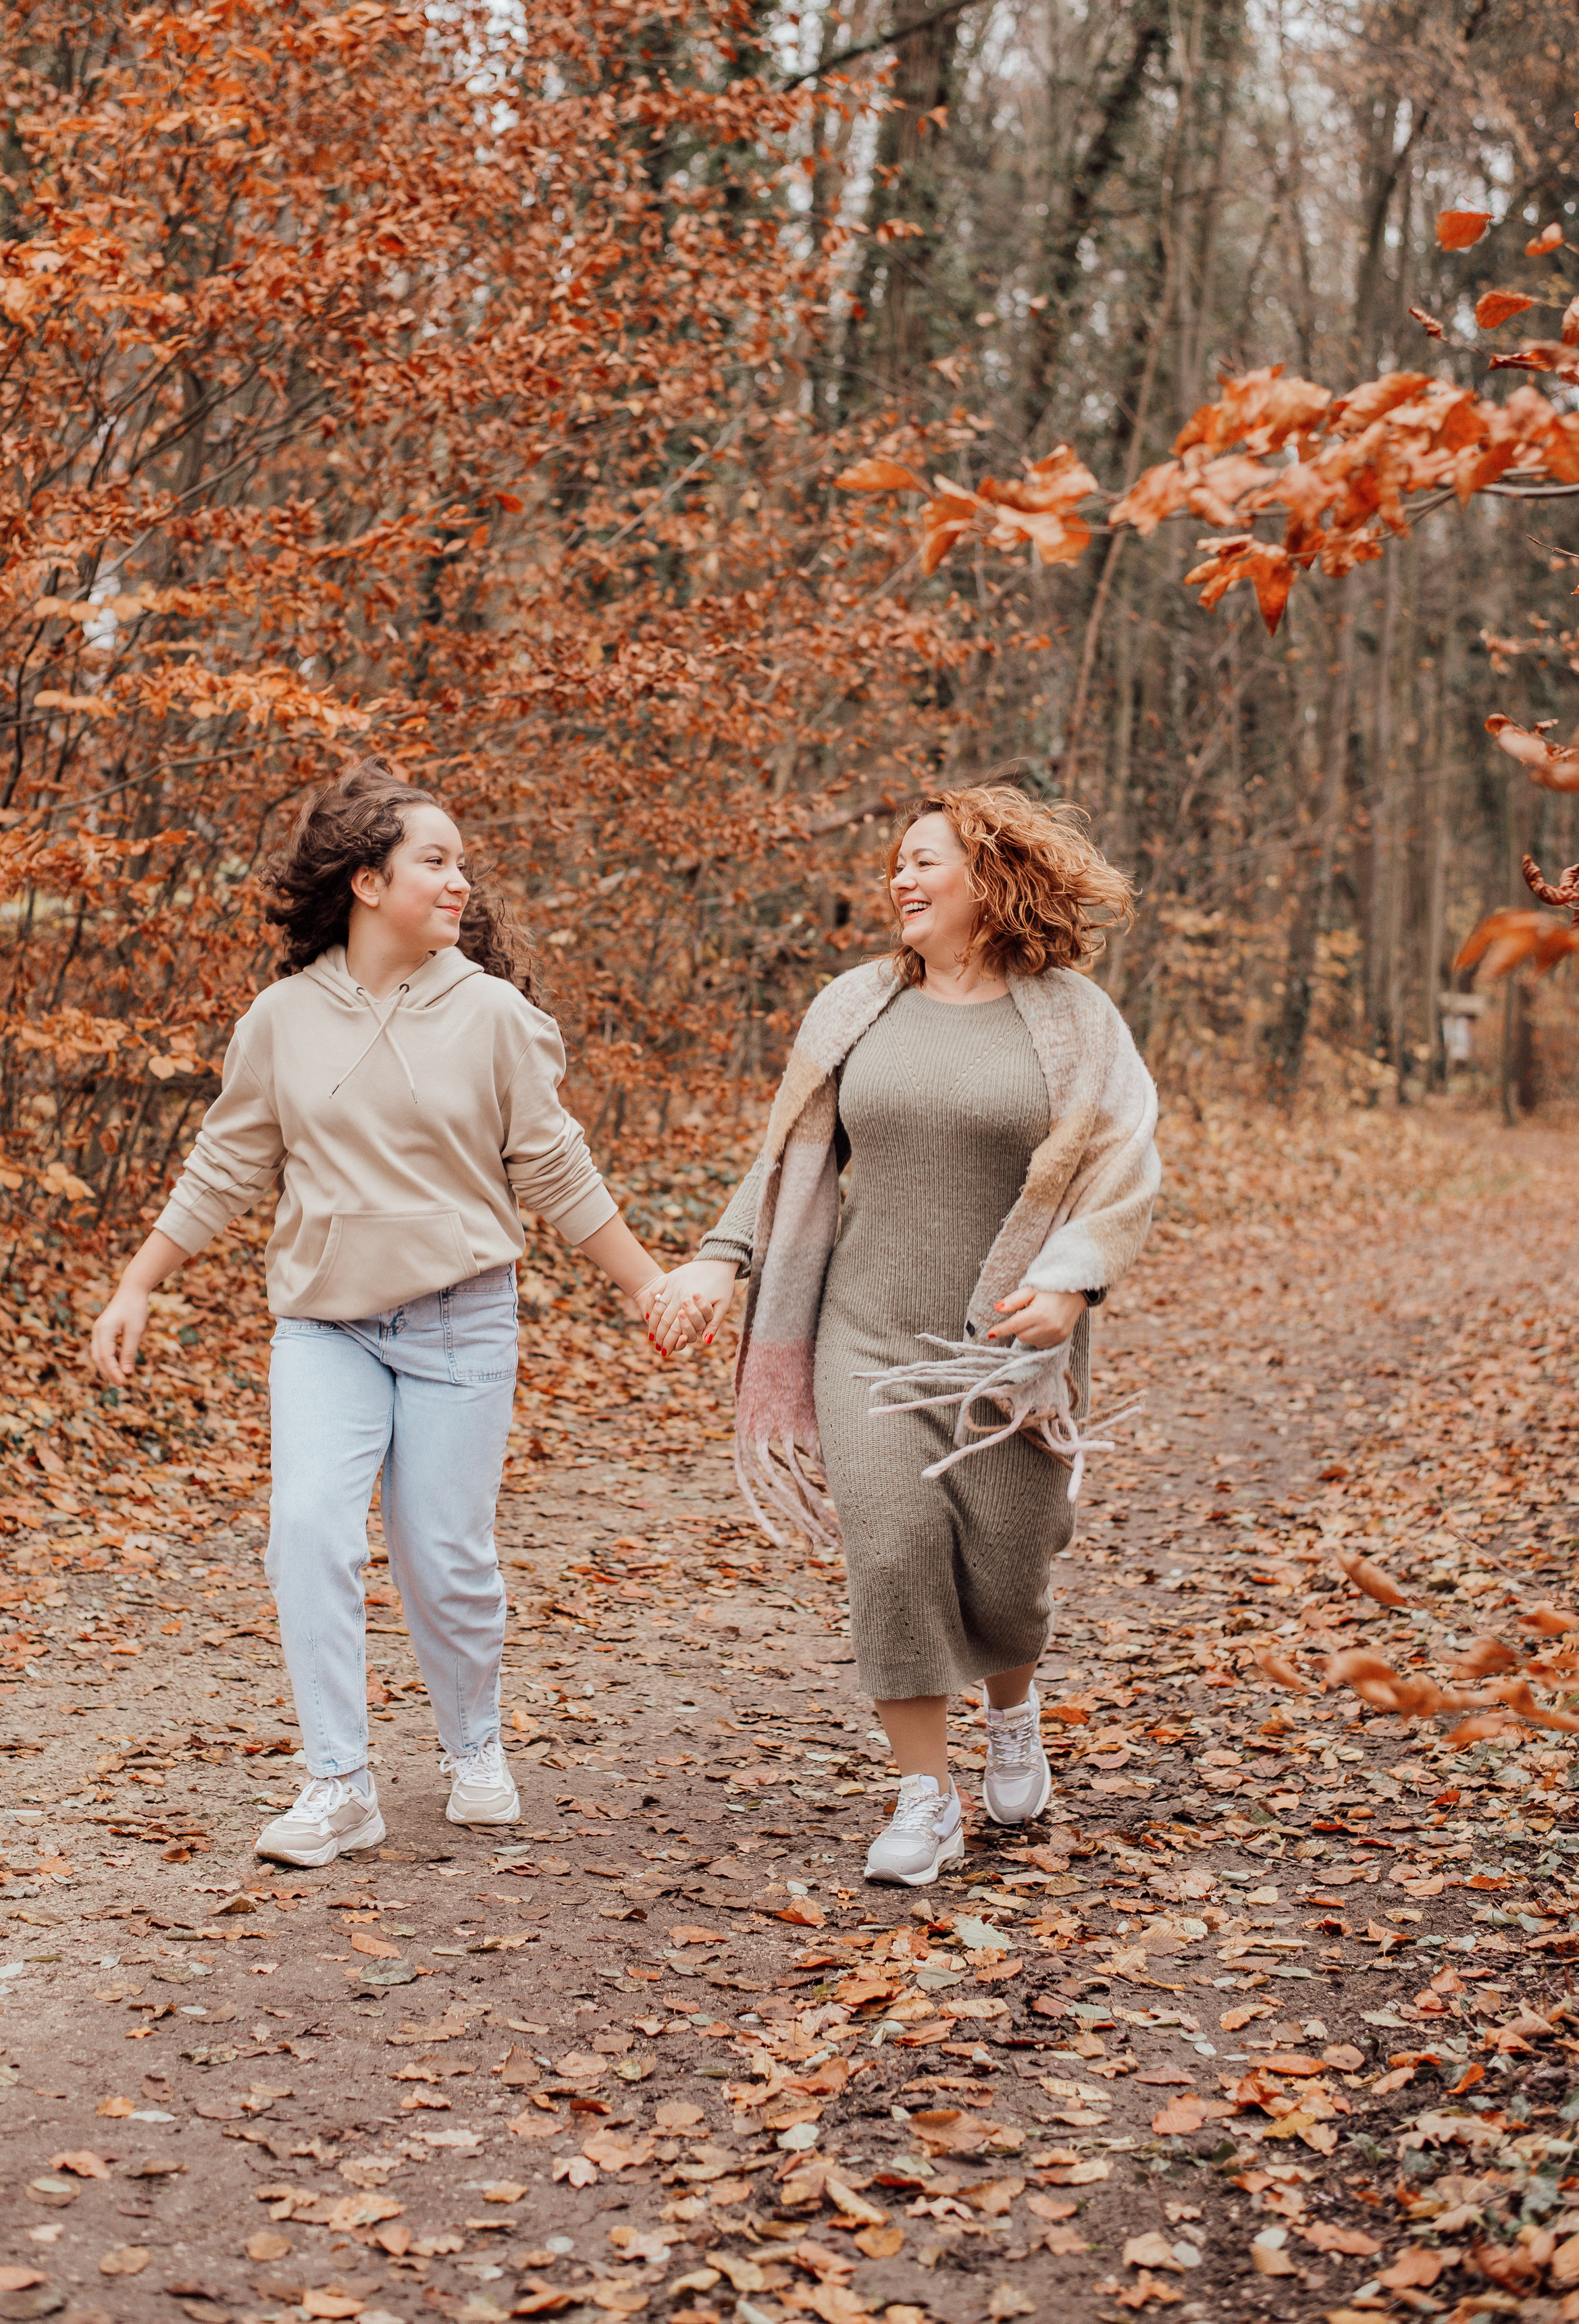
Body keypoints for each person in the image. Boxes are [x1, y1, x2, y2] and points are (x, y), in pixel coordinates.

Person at [90, 761, 668, 1868]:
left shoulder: (495, 1015)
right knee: (307, 1527)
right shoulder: (282, 1020)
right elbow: (226, 1164)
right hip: (326, 1327)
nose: (461, 883)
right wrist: (139, 1280)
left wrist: (646, 1283)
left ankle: (474, 1742)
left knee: (441, 1556)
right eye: (435, 861)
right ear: (366, 881)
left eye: (461, 864)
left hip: (463, 1323)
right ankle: (338, 1782)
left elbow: (554, 1168)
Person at [644, 785, 1159, 1888]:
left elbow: (1125, 1167)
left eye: (926, 861)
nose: (901, 880)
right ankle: (926, 1794)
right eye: (895, 863)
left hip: (1010, 1349)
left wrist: (1069, 1288)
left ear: (992, 876)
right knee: (891, 1547)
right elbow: (788, 1160)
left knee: (1009, 1571)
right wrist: (716, 1258)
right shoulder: (855, 1006)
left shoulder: (1073, 1018)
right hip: (862, 1333)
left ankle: (1013, 1715)